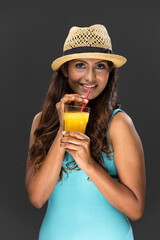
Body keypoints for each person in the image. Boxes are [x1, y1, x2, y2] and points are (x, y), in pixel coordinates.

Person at [25, 24, 146, 240]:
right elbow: (37, 197)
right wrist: (63, 129)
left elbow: (135, 209)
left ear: (110, 71)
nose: (90, 77)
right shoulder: (41, 122)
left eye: (100, 66)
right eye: (80, 65)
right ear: (65, 70)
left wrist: (88, 163)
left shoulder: (118, 124)